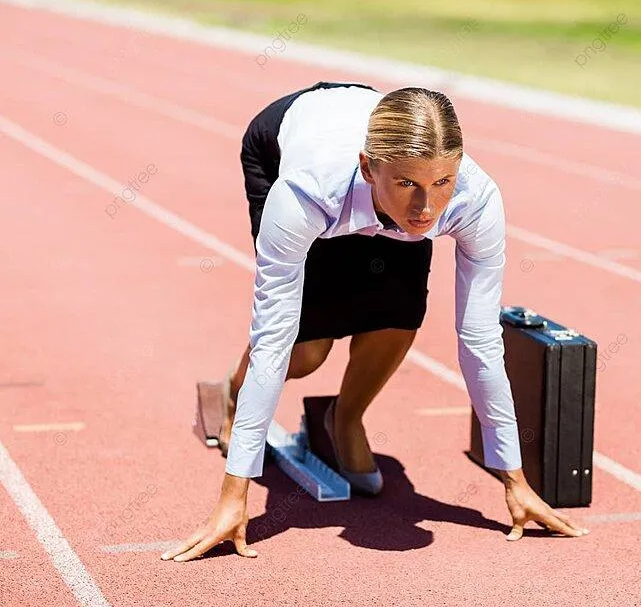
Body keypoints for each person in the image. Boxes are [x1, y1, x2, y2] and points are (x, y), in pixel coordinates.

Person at [161, 83, 588, 563]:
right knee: (303, 351)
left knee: (398, 313)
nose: (426, 208)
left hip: (373, 176)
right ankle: (232, 393)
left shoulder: (473, 200)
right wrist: (233, 496)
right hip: (289, 150)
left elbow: (480, 338)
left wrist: (514, 479)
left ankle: (344, 417)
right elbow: (273, 333)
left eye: (442, 182)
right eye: (410, 185)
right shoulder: (305, 192)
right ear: (368, 167)